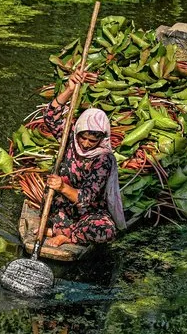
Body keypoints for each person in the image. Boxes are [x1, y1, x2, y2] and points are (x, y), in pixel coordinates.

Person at [41, 69, 126, 248]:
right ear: (78, 132)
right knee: (52, 199)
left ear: (101, 139)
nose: (86, 144)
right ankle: (58, 226)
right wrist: (69, 89)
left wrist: (63, 187)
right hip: (62, 208)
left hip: (87, 213)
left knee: (106, 231)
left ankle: (68, 235)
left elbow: (86, 198)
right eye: (83, 138)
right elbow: (50, 116)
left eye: (92, 141)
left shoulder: (103, 159)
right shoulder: (70, 138)